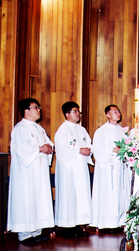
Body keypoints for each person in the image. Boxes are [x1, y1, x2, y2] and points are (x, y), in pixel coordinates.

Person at [7, 98, 54, 245]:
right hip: (26, 174)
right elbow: (23, 150)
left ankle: (36, 232)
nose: (39, 110)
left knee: (38, 199)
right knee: (26, 200)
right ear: (26, 110)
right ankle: (25, 234)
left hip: (39, 173)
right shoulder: (20, 129)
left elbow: (48, 144)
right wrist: (40, 149)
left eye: (39, 107)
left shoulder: (39, 129)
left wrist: (49, 148)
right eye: (35, 107)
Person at [54, 101, 93, 238]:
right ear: (67, 114)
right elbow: (61, 150)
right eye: (75, 111)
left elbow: (88, 144)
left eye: (78, 111)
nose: (78, 114)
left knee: (81, 197)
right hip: (68, 170)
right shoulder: (62, 131)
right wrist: (78, 151)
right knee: (69, 197)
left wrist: (88, 151)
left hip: (81, 168)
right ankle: (67, 228)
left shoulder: (81, 129)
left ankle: (78, 225)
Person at [91, 105, 129, 231]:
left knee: (120, 194)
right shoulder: (101, 131)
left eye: (118, 111)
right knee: (108, 195)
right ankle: (106, 224)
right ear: (107, 115)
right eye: (115, 112)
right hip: (108, 169)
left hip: (121, 168)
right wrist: (112, 150)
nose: (118, 113)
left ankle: (119, 222)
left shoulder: (122, 131)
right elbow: (97, 150)